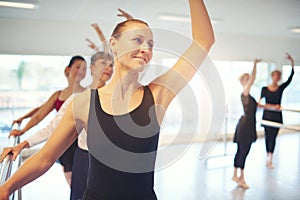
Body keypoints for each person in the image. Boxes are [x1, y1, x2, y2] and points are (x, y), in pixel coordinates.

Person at [0, 0, 214, 199]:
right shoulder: (83, 103)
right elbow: (46, 158)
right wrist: (6, 188)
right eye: (138, 40)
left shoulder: (158, 94)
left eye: (150, 44)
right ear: (113, 44)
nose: (146, 49)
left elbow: (204, 41)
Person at [8, 55, 87, 185]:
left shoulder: (86, 94)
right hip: (63, 140)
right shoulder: (58, 95)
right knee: (71, 181)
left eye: (84, 69)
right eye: (78, 67)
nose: (81, 72)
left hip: (78, 142)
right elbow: (40, 113)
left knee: (79, 181)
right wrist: (23, 129)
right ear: (68, 70)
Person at [258, 53, 295, 169]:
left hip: (277, 117)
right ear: (272, 76)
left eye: (279, 76)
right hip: (267, 117)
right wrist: (273, 106)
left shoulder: (280, 88)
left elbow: (290, 78)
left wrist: (292, 62)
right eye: (276, 76)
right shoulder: (264, 89)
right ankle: (267, 155)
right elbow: (259, 104)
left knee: (273, 137)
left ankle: (270, 157)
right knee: (267, 136)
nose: (277, 78)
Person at [232, 59, 261, 189]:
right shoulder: (245, 93)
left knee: (242, 151)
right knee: (243, 151)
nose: (250, 80)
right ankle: (241, 178)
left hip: (247, 125)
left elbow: (258, 106)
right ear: (244, 82)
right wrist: (255, 64)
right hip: (245, 127)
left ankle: (236, 175)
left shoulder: (249, 96)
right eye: (247, 79)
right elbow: (253, 77)